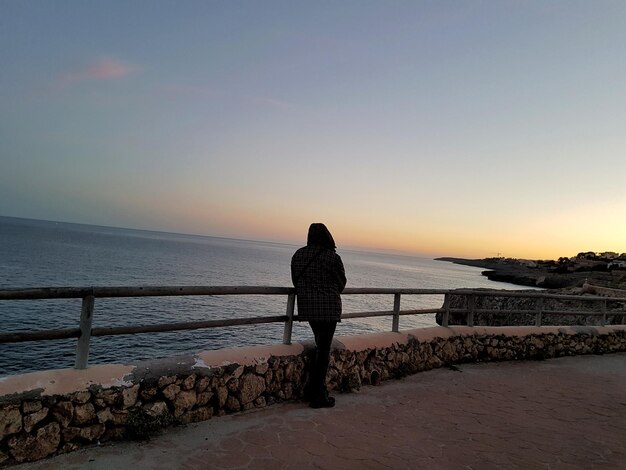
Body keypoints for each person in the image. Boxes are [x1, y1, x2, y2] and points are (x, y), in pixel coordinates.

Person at [291, 223, 347, 408]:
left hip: (308, 308)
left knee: (321, 344)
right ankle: (318, 395)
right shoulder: (332, 257)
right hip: (329, 308)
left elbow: (295, 281)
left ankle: (313, 390)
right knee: (324, 350)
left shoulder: (298, 255)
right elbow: (341, 283)